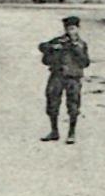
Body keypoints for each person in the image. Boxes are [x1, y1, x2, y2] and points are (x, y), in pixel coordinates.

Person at [38, 14, 91, 144]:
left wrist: (75, 48)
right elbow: (42, 49)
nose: (70, 31)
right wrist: (52, 48)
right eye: (68, 28)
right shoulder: (58, 41)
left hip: (73, 77)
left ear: (78, 29)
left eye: (73, 28)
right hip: (57, 75)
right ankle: (54, 131)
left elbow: (85, 63)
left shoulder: (81, 44)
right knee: (52, 102)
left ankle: (71, 133)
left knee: (73, 105)